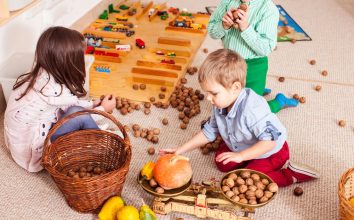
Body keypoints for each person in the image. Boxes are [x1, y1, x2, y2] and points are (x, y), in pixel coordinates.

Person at [160, 49, 319, 187]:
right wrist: (179, 151)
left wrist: (241, 156)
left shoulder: (253, 109)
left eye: (213, 93)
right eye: (206, 93)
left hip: (270, 151)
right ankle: (237, 145)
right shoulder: (220, 105)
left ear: (236, 87)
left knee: (245, 179)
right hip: (245, 143)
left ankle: (290, 175)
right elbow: (208, 132)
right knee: (222, 164)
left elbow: (269, 142)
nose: (208, 98)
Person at [4, 26, 116, 172]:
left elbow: (68, 102)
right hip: (32, 154)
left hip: (22, 141)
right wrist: (103, 110)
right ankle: (99, 146)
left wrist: (92, 103)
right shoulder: (53, 91)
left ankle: (90, 134)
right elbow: (75, 111)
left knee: (74, 110)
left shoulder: (43, 74)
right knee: (78, 114)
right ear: (70, 64)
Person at [208, 0, 298, 113]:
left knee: (249, 112)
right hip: (229, 64)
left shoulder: (268, 9)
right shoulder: (227, 2)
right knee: (223, 105)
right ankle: (255, 90)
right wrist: (223, 26)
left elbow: (265, 48)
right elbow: (212, 31)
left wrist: (246, 28)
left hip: (254, 66)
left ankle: (279, 101)